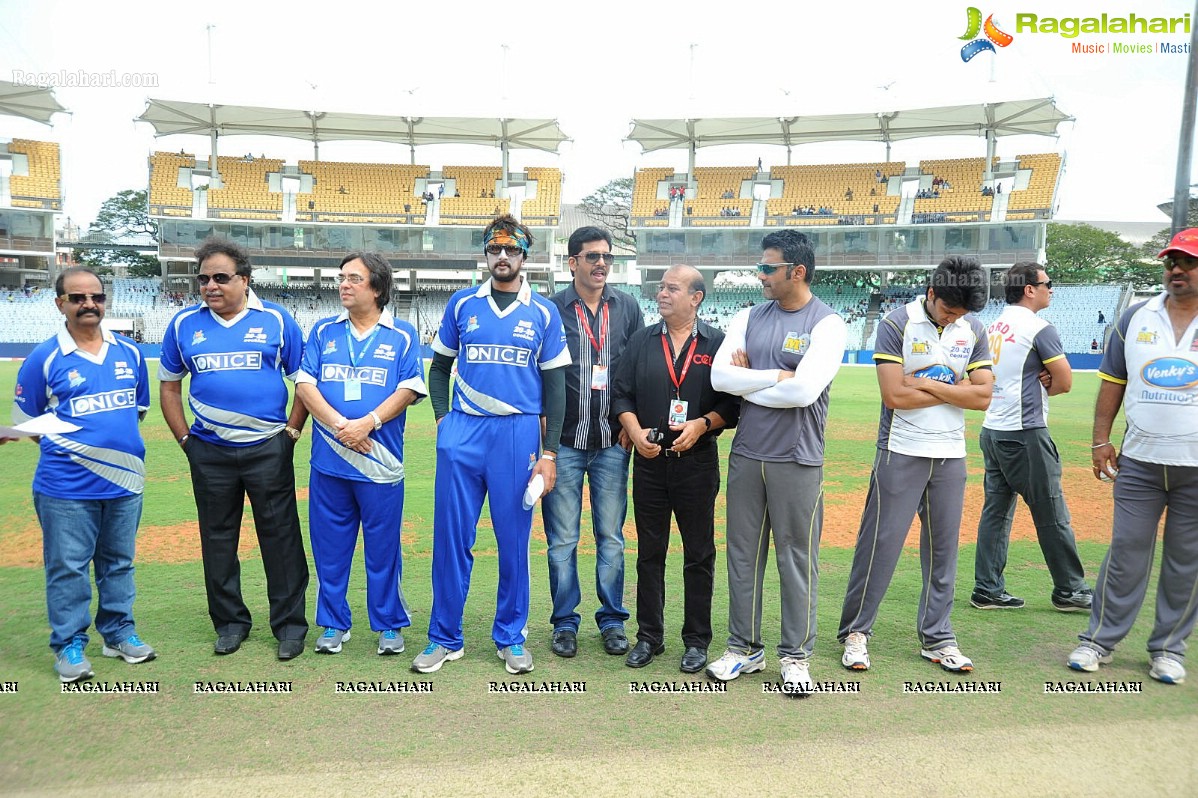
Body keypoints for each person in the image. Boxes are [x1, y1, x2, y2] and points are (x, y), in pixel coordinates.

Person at [412, 214, 569, 676]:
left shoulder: (542, 312)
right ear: (486, 253)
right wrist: (444, 421)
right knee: (451, 539)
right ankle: (444, 637)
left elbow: (556, 386)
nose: (503, 256)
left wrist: (549, 452)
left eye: (512, 249)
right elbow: (439, 369)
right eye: (495, 248)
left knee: (513, 541)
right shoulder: (462, 305)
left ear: (525, 256)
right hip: (464, 430)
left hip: (518, 434)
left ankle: (510, 636)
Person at [838, 256, 992, 673]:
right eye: (948, 309)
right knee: (880, 546)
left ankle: (938, 637)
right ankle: (856, 633)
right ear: (931, 294)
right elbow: (894, 397)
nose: (955, 317)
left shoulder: (973, 328)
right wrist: (953, 387)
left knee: (943, 551)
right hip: (900, 448)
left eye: (961, 313)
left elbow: (983, 397)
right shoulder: (895, 323)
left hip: (950, 453)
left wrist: (923, 380)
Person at [707, 231, 846, 694]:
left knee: (796, 559)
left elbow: (804, 392)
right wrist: (773, 376)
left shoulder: (828, 324)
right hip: (747, 454)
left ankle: (795, 657)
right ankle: (743, 649)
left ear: (797, 272)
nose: (760, 275)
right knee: (742, 557)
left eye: (768, 268)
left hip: (798, 459)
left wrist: (748, 382)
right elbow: (719, 377)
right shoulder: (749, 315)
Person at [159, 237, 310, 661]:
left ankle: (289, 626)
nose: (210, 285)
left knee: (280, 538)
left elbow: (303, 381)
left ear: (244, 280)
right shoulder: (183, 324)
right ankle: (230, 623)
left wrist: (292, 433)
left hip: (268, 449)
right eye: (203, 278)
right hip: (209, 452)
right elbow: (169, 387)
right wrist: (187, 441)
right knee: (218, 539)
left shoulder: (277, 320)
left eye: (221, 278)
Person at [9, 267, 155, 682]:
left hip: (126, 482)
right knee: (68, 567)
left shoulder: (129, 353)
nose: (89, 304)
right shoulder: (44, 358)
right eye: (77, 298)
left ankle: (118, 633)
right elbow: (30, 425)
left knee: (119, 563)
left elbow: (137, 410)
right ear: (60, 304)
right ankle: (69, 644)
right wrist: (82, 454)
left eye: (96, 297)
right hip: (66, 487)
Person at [1068, 228, 1198, 686]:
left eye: (1187, 263)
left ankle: (1167, 649)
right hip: (1140, 462)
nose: (1176, 270)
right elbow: (1113, 382)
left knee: (1187, 560)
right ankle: (1098, 641)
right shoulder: (1135, 317)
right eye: (1170, 262)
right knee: (1125, 552)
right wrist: (1100, 440)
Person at [295, 252, 427, 656]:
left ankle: (388, 624)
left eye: (354, 278)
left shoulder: (402, 335)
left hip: (379, 465)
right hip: (330, 464)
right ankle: (334, 623)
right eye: (341, 278)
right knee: (329, 549)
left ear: (378, 288)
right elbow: (305, 385)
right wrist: (342, 427)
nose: (344, 285)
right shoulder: (322, 331)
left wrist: (367, 422)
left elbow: (409, 389)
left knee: (384, 549)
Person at [612, 265, 739, 673]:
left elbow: (732, 405)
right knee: (650, 552)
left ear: (696, 297)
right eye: (661, 288)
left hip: (697, 463)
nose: (662, 293)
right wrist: (633, 430)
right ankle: (649, 636)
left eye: (672, 288)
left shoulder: (718, 344)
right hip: (649, 464)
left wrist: (703, 425)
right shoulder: (641, 341)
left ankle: (697, 640)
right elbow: (621, 394)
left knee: (699, 553)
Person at [543, 227, 643, 659]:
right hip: (564, 443)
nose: (601, 264)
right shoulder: (551, 310)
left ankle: (613, 620)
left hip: (610, 443)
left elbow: (638, 367)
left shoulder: (628, 307)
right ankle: (565, 623)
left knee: (611, 537)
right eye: (591, 257)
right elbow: (539, 378)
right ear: (572, 263)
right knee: (562, 539)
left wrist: (631, 422)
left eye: (606, 257)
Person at [972, 263, 1092, 612]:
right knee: (1052, 512)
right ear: (1029, 289)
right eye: (1047, 283)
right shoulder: (1039, 329)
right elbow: (1065, 383)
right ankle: (1070, 589)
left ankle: (988, 588)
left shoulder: (992, 326)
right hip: (1025, 433)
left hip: (993, 429)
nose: (1050, 289)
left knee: (996, 512)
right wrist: (1046, 381)